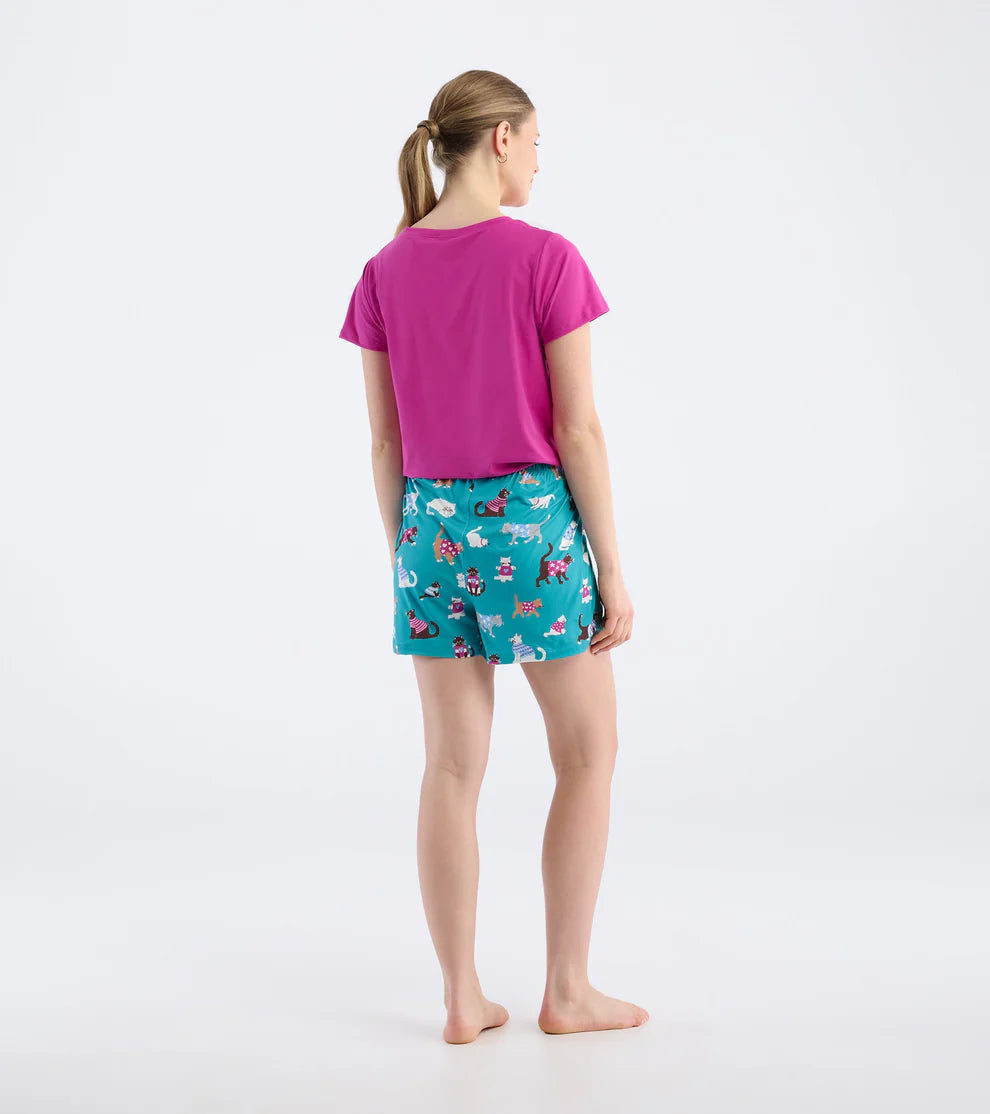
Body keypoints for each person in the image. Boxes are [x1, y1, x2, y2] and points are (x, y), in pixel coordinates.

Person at [339, 69, 644, 1044]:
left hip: (427, 529)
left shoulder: (383, 270)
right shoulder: (545, 258)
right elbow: (578, 430)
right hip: (530, 530)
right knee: (587, 754)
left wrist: (411, 554)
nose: (540, 162)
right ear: (502, 139)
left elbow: (384, 443)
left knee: (450, 768)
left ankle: (461, 999)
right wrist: (612, 567)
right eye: (537, 141)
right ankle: (567, 990)